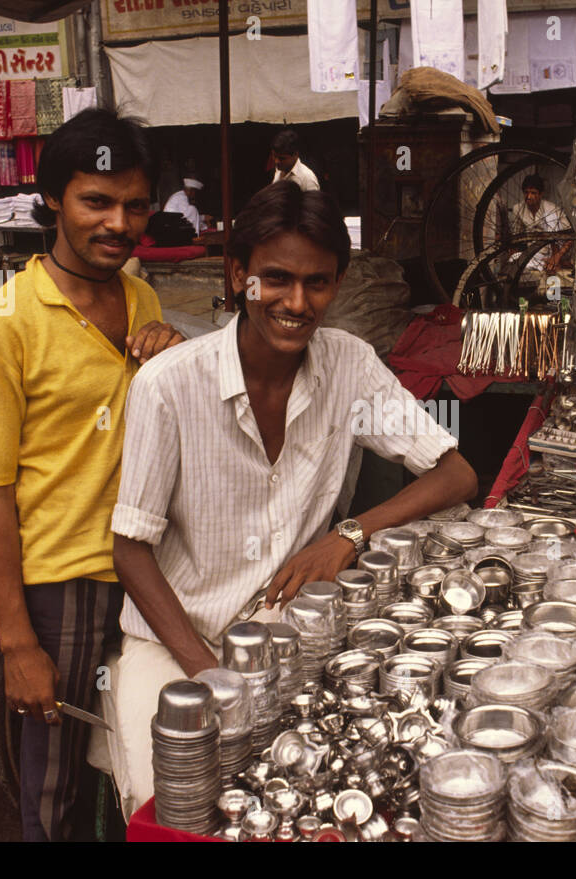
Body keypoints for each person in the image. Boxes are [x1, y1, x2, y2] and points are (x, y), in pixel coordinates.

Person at [105, 181, 478, 814]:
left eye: (319, 283)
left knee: (335, 792)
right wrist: (209, 674)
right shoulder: (169, 386)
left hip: (291, 634)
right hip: (174, 644)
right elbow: (131, 551)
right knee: (179, 807)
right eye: (276, 279)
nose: (297, 303)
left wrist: (348, 534)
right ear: (238, 275)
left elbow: (456, 474)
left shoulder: (349, 365)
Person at [0, 108, 184, 842]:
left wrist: (171, 351)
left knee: (128, 751)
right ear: (53, 198)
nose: (119, 222)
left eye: (135, 204)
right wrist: (18, 644)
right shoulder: (3, 322)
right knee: (52, 780)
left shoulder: (139, 297)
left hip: (141, 564)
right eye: (97, 201)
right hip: (63, 581)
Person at [512, 174, 570, 273]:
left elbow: (570, 237)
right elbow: (516, 236)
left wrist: (557, 256)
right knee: (514, 259)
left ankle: (556, 263)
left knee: (550, 217)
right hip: (534, 253)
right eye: (526, 192)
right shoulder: (518, 208)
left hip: (556, 252)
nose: (529, 197)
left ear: (541, 194)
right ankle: (547, 265)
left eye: (533, 193)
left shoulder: (552, 209)